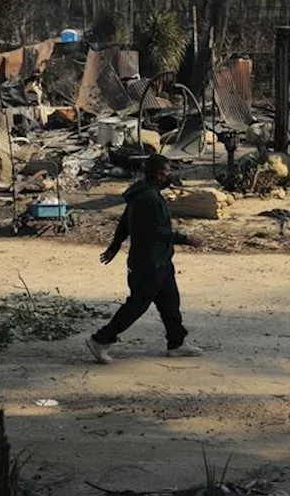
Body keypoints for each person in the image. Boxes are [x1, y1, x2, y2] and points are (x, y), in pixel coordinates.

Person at [86, 154, 205, 364]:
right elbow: (155, 231)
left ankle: (176, 342)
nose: (171, 175)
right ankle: (101, 339)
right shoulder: (148, 197)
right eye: (168, 171)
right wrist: (186, 238)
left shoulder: (144, 193)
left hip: (160, 261)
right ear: (160, 174)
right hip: (148, 263)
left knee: (170, 302)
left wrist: (115, 246)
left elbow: (125, 222)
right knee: (137, 305)